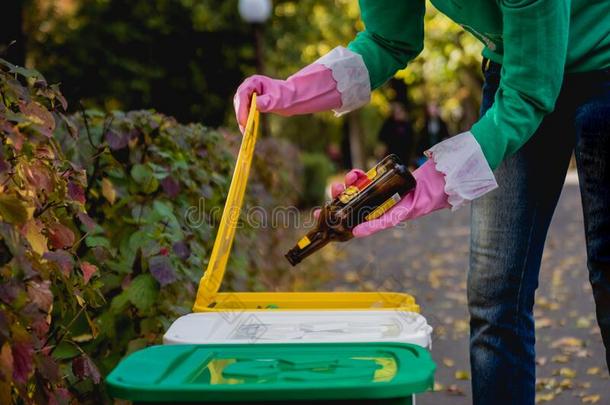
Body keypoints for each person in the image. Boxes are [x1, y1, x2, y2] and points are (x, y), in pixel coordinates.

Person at [233, 1, 610, 404]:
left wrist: (433, 183)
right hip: (514, 69)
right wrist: (291, 92)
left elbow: (531, 93)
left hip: (597, 66)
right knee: (496, 294)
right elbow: (387, 39)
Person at [378, 101, 416, 166]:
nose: (398, 114)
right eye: (396, 112)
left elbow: (411, 141)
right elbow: (381, 138)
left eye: (400, 112)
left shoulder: (407, 125)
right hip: (391, 156)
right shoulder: (388, 124)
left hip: (405, 157)